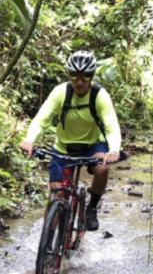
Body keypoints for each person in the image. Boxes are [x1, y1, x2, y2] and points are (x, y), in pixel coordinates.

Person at [20, 51, 122, 231]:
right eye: (75, 76)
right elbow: (41, 120)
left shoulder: (99, 95)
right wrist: (29, 140)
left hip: (92, 145)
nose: (80, 81)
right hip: (63, 148)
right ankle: (47, 245)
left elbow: (111, 125)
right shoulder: (60, 92)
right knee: (57, 196)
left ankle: (91, 208)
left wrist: (113, 150)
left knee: (102, 168)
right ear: (69, 75)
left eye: (85, 76)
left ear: (92, 77)